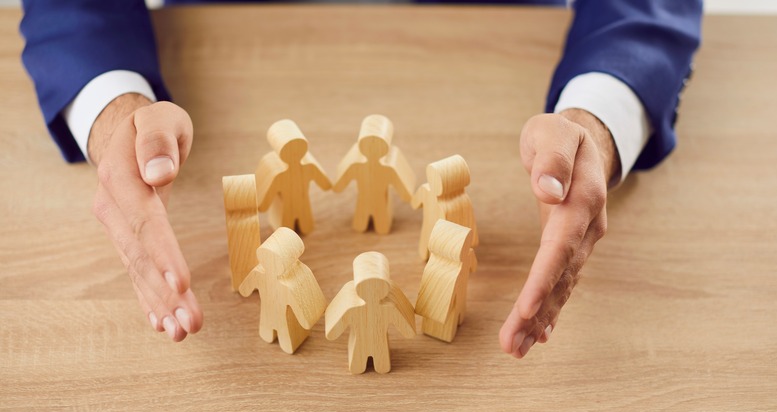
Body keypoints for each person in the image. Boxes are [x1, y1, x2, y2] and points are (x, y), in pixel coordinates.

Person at [19, 0, 702, 358]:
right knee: (292, 304)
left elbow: (361, 184)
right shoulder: (271, 217)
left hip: (495, 47)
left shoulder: (435, 227)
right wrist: (112, 106)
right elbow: (323, 197)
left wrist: (599, 114)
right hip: (237, 44)